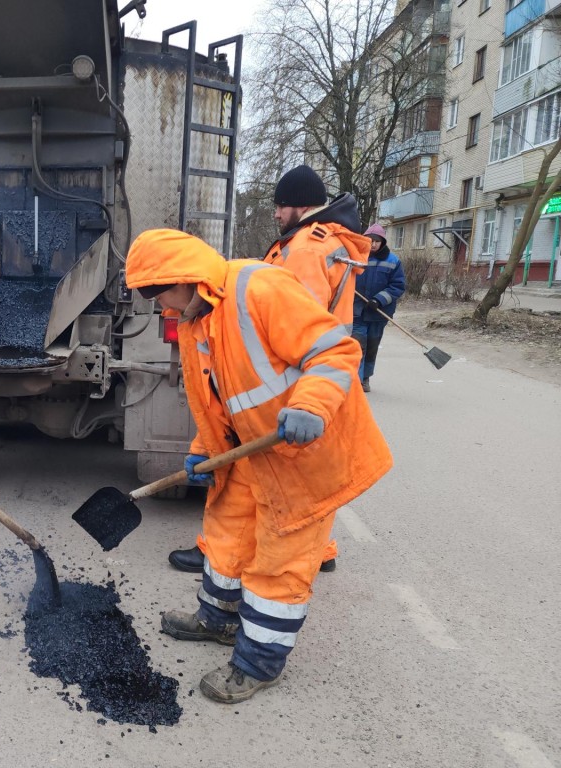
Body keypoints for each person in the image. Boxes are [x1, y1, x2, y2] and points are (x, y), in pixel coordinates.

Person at [127, 229, 392, 703]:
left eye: (155, 289)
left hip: (307, 453)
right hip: (252, 451)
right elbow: (216, 401)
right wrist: (202, 448)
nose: (154, 303)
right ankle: (219, 620)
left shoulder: (260, 288)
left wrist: (311, 406)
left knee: (279, 563)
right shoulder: (193, 321)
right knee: (226, 535)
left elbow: (335, 350)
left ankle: (258, 663)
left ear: (184, 277)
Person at [168, 165, 370, 576]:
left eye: (281, 206)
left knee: (263, 478)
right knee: (306, 476)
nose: (276, 214)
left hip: (300, 380)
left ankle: (231, 556)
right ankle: (320, 549)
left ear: (302, 205)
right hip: (316, 378)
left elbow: (293, 321)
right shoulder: (324, 242)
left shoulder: (309, 249)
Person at [353, 224, 406, 393]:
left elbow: (397, 286)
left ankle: (366, 377)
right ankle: (357, 380)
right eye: (370, 240)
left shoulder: (393, 261)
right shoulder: (356, 257)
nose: (373, 244)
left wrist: (379, 300)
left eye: (377, 241)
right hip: (357, 311)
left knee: (371, 347)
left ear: (382, 242)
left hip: (378, 313)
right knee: (357, 345)